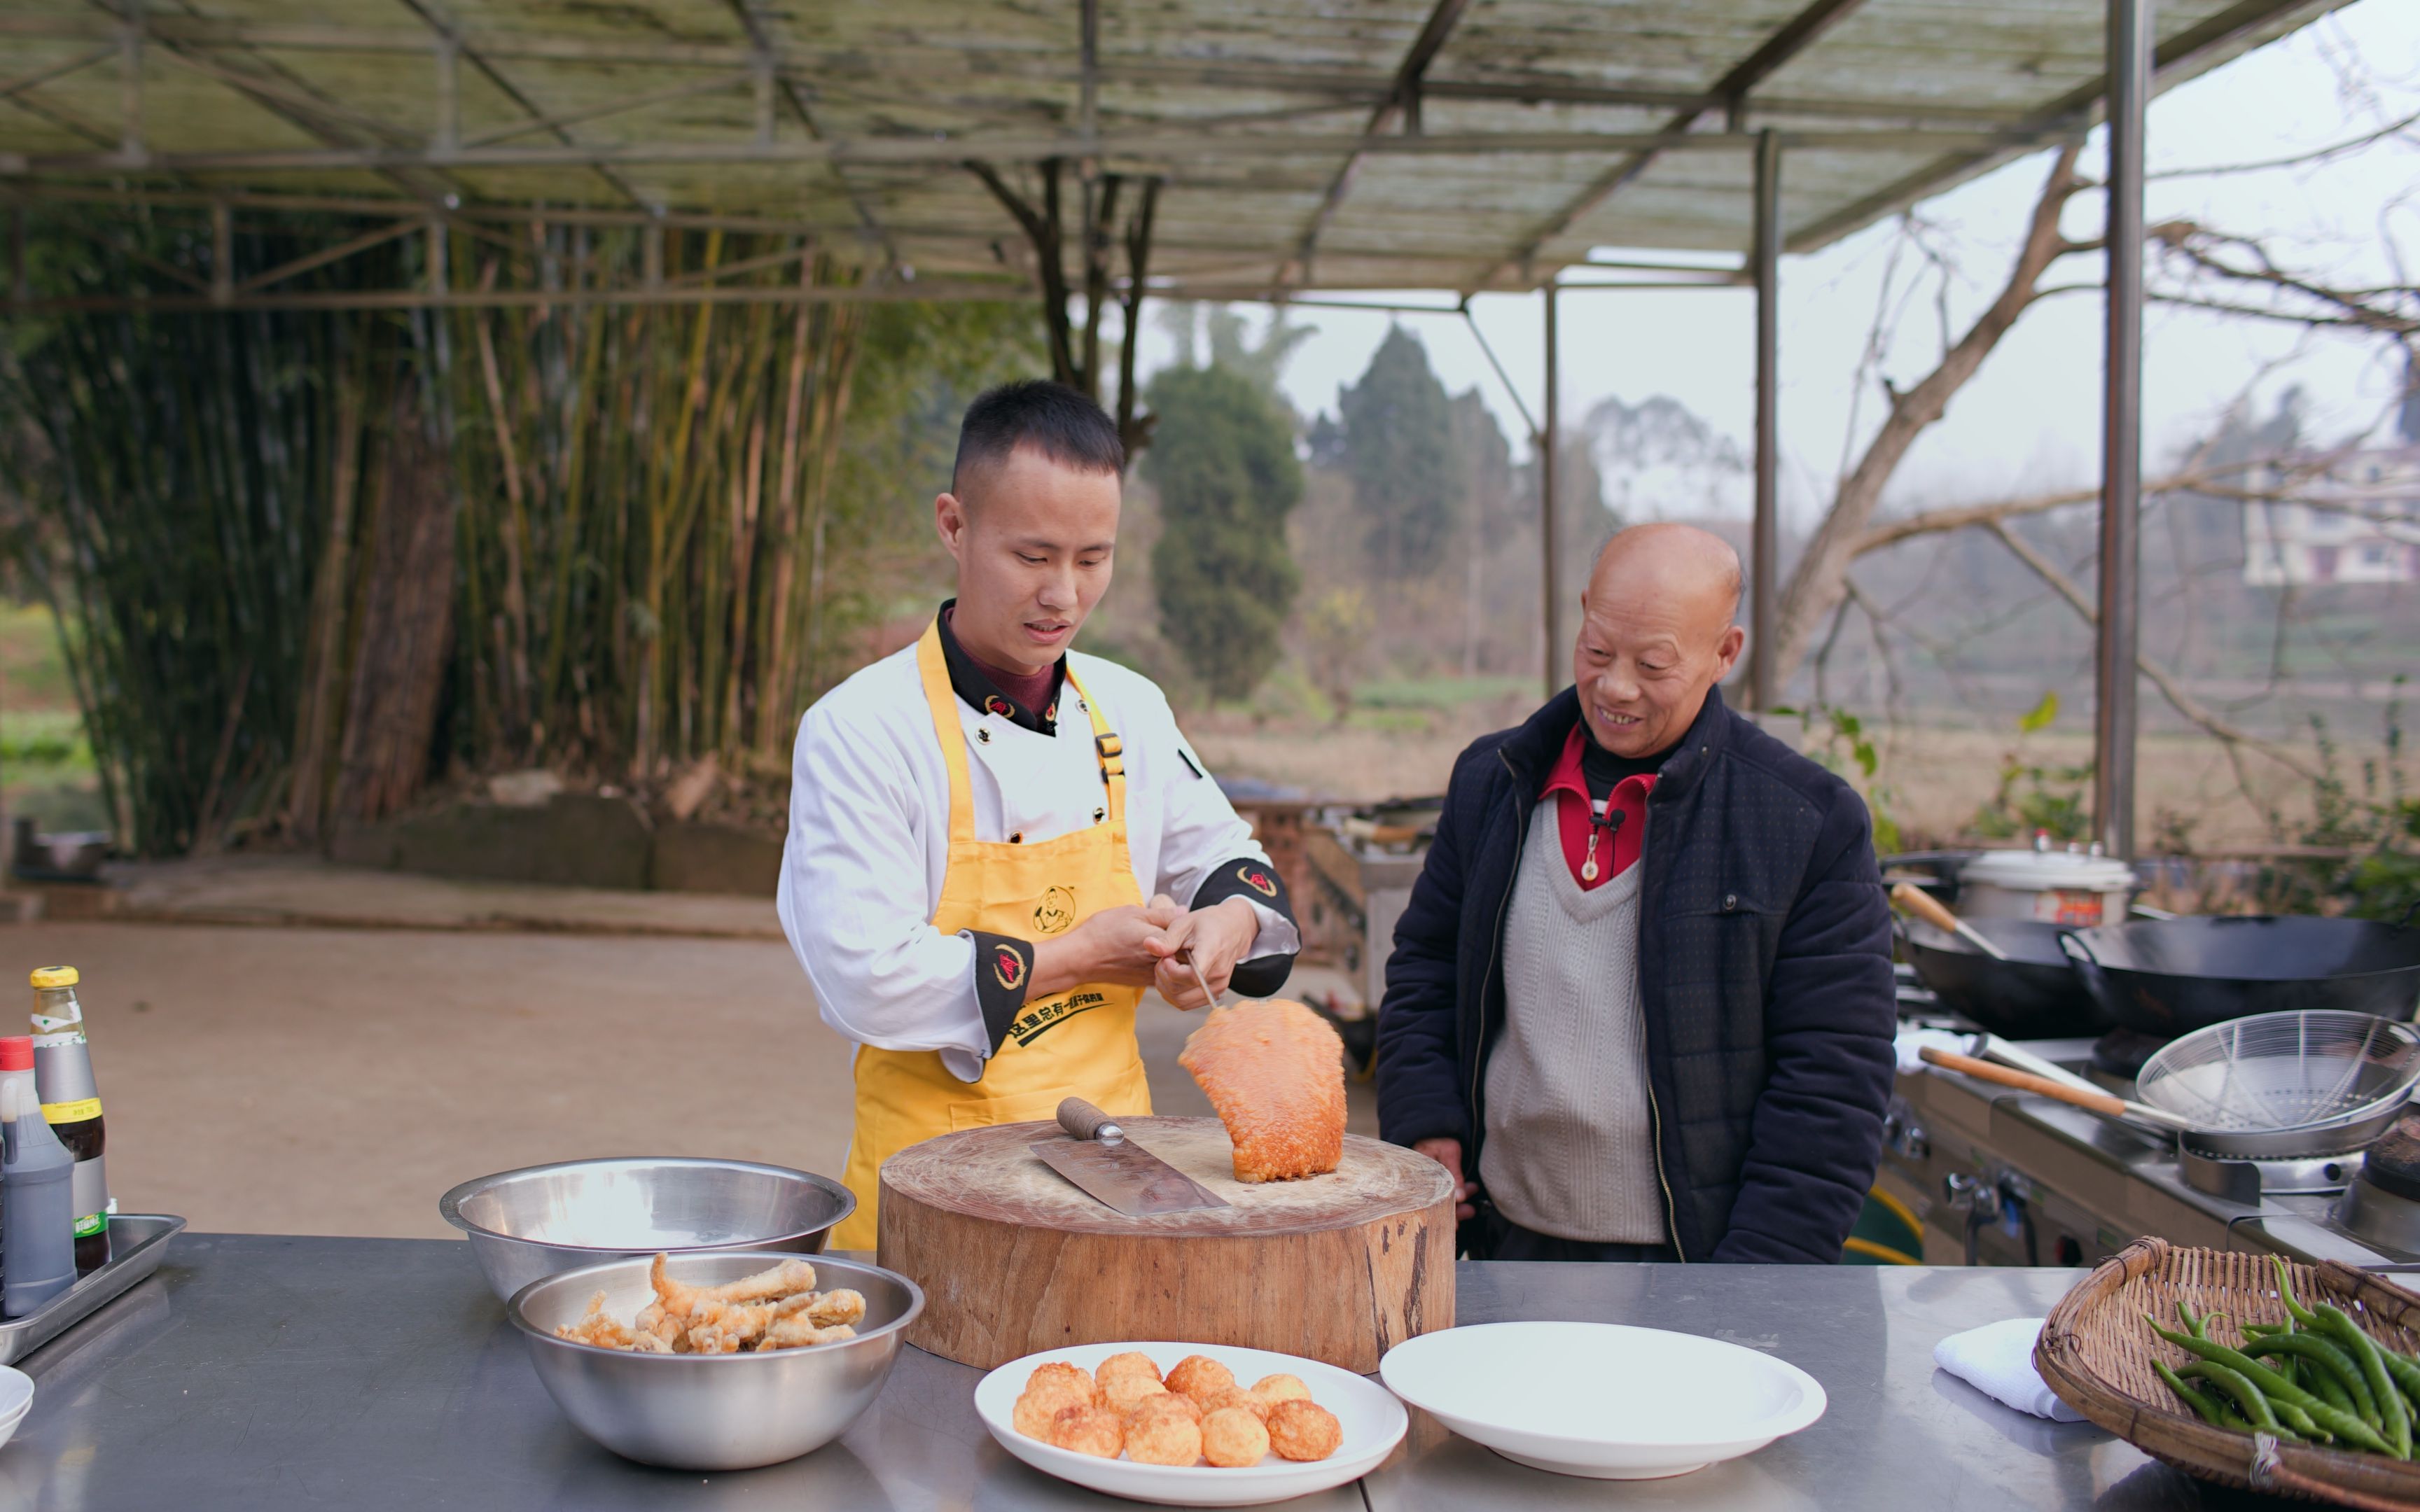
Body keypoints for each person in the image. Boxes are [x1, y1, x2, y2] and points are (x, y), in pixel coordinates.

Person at [780, 380, 1300, 1252]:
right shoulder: (862, 728)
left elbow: (1234, 862)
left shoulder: (1128, 707)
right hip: (926, 1186)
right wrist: (1074, 957)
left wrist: (1225, 928)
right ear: (953, 525)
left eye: (1093, 558)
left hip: (1117, 1176)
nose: (1063, 593)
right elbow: (868, 975)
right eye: (1033, 556)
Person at [1374, 523, 1895, 1263]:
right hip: (1506, 1244)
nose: (1616, 688)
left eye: (1654, 665)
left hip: (1698, 1264)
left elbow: (1832, 1083)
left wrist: (1752, 1290)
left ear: (1725, 653)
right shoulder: (1494, 783)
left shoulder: (1806, 823)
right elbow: (1426, 973)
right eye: (1597, 652)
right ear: (1585, 611)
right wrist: (1430, 1127)